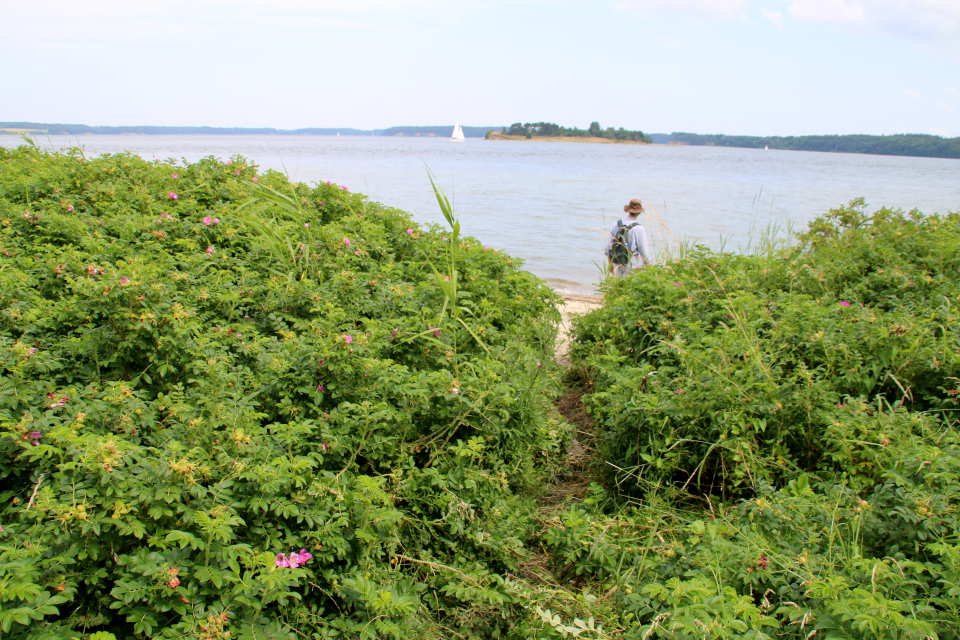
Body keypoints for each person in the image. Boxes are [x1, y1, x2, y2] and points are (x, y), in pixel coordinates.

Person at [606, 198, 652, 276]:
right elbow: (644, 251)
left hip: (616, 262)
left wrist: (610, 264)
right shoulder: (639, 228)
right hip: (631, 264)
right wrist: (648, 265)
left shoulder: (616, 224)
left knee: (618, 285)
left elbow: (609, 246)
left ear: (629, 210)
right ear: (640, 212)